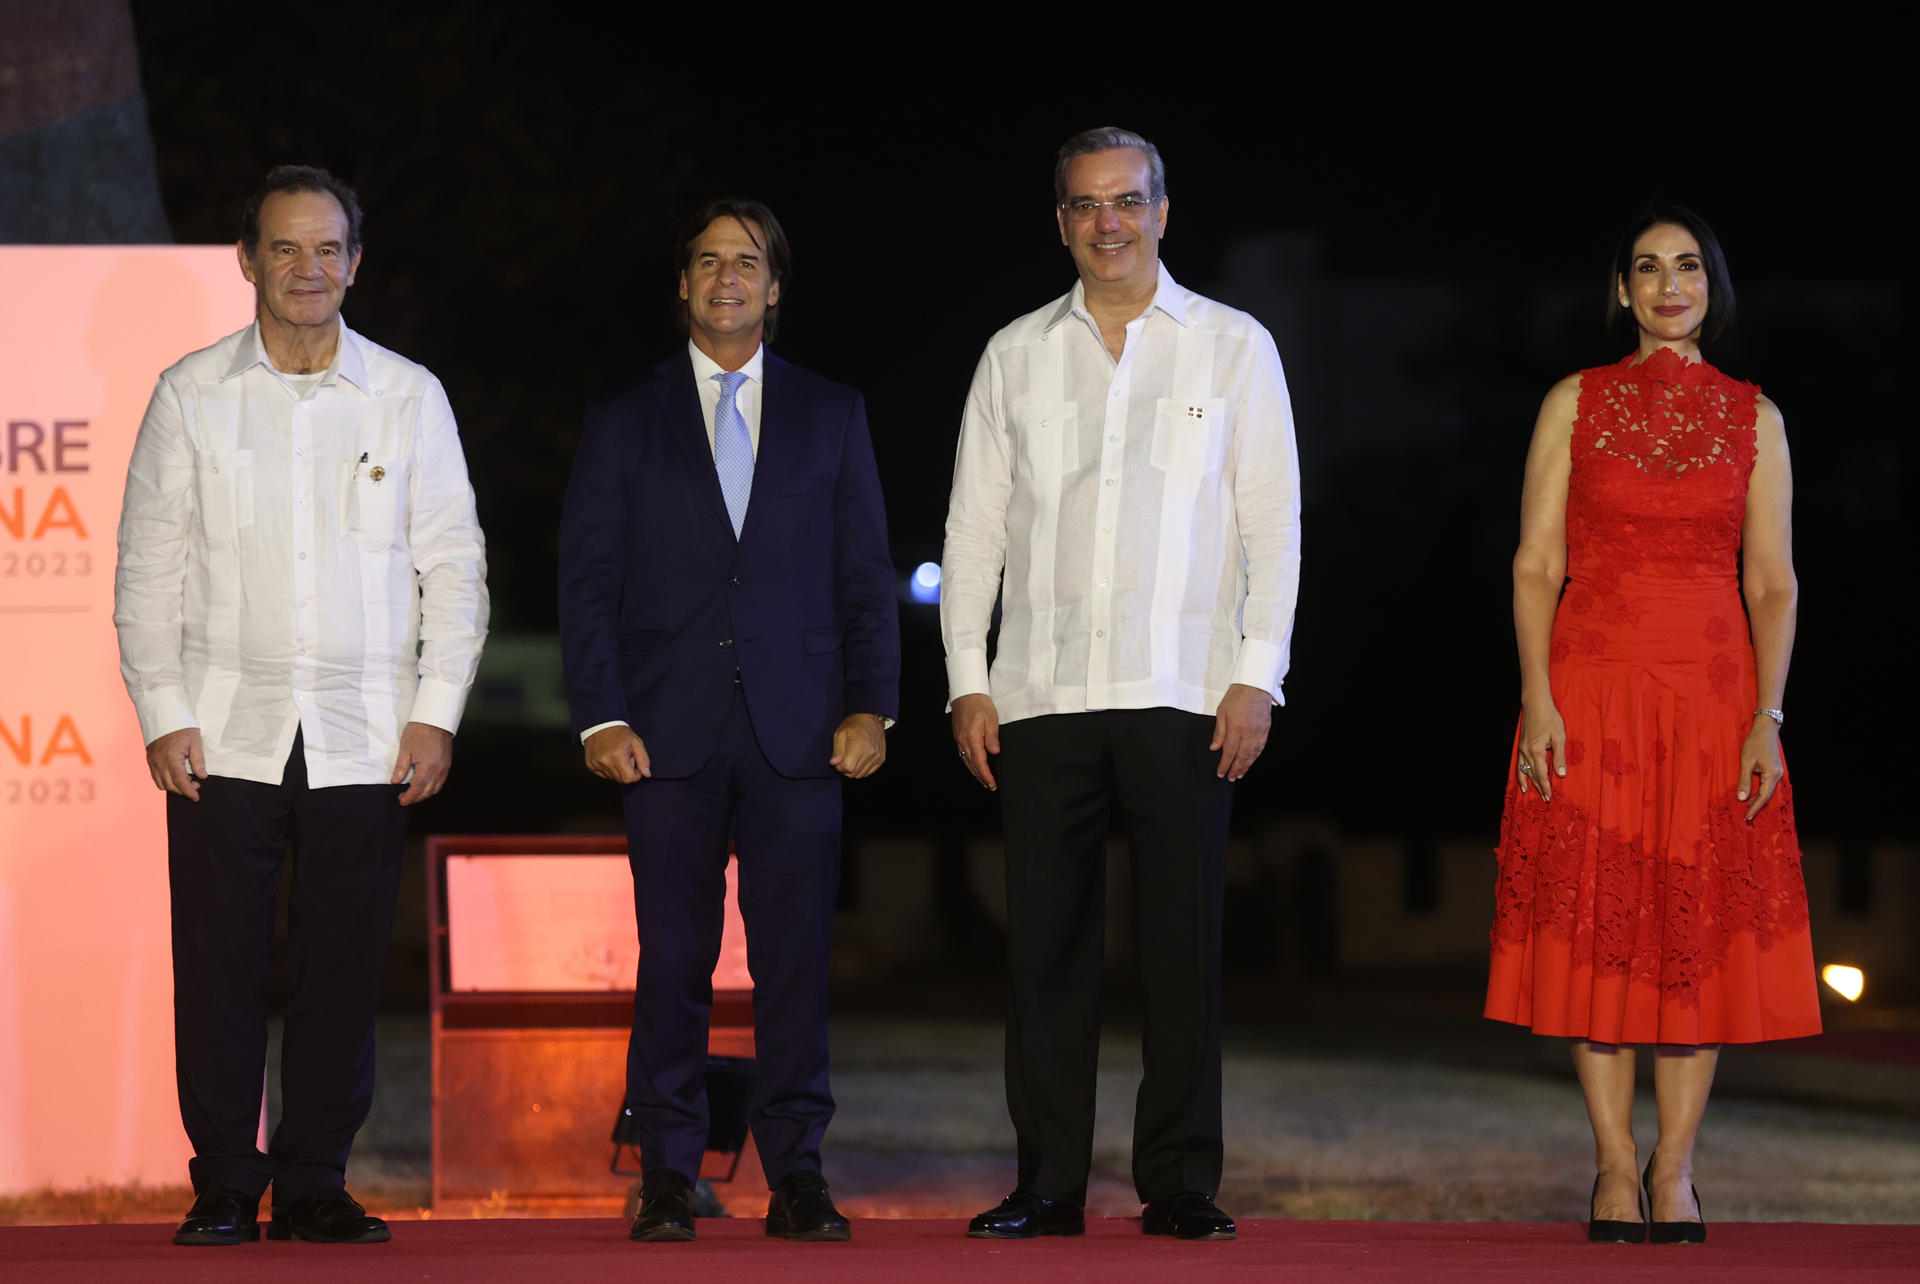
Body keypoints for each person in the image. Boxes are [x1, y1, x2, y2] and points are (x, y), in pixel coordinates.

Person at [114, 165, 489, 1246]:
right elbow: (147, 571)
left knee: (340, 968)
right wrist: (162, 709)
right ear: (248, 262)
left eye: (328, 249)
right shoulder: (190, 392)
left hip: (368, 735)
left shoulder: (409, 395)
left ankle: (316, 1177)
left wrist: (437, 711)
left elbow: (454, 568)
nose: (308, 269)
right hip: (221, 729)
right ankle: (228, 1180)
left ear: (356, 263)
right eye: (286, 249)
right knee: (221, 967)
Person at [940, 127, 1302, 1242]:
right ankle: (1047, 1182)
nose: (1110, 222)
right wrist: (967, 678)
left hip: (1186, 691)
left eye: (1129, 201)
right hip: (1040, 693)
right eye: (1088, 205)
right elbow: (973, 530)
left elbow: (1272, 526)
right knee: (1044, 950)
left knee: (1180, 948)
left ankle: (1181, 1182)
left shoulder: (1234, 347)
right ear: (1061, 223)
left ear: (1162, 211)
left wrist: (1259, 677)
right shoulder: (1014, 354)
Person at [557, 199, 898, 1244]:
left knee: (793, 961)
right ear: (683, 284)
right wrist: (598, 716)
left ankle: (796, 1172)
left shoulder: (834, 413)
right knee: (673, 958)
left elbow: (864, 578)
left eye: (746, 263)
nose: (726, 279)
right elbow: (588, 580)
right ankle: (667, 1170)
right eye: (706, 263)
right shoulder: (625, 416)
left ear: (776, 285)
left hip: (802, 733)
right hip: (664, 735)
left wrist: (871, 705)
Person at [1484, 205, 1820, 1244]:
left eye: (1688, 268)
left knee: (1691, 942)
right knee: (1599, 934)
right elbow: (1536, 563)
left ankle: (1676, 1171)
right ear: (1621, 291)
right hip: (1590, 694)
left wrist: (1768, 715)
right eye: (1647, 268)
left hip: (1714, 698)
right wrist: (1538, 696)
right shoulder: (1573, 404)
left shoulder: (1754, 418)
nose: (1669, 284)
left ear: (1711, 287)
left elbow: (1773, 581)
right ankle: (1614, 1169)